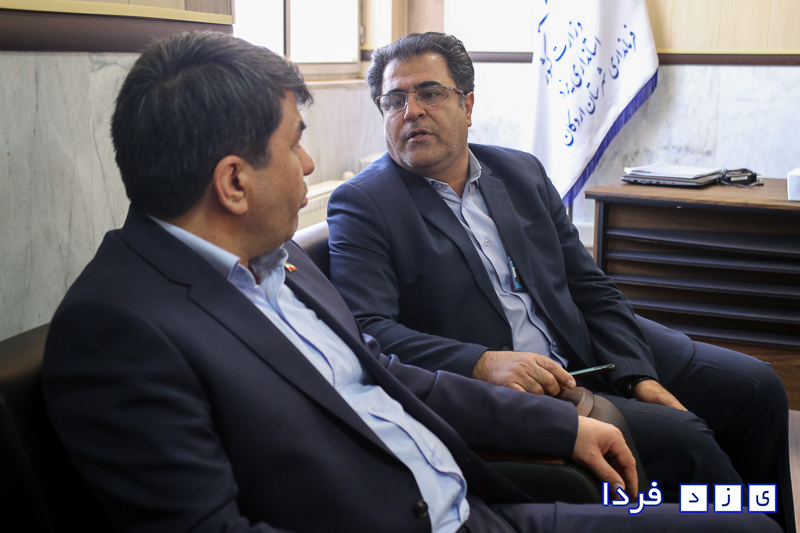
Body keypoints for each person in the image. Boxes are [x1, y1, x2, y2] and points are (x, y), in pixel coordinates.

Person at [40, 30, 780, 533]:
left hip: (482, 498)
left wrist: (570, 422)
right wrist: (508, 379)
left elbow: (389, 374)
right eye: (296, 146)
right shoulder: (120, 332)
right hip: (442, 506)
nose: (309, 167)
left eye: (430, 94)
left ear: (467, 103)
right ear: (234, 182)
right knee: (697, 462)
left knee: (748, 462)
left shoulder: (278, 263)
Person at [326, 32, 794, 531]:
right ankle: (741, 524)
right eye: (395, 100)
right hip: (516, 386)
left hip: (585, 347)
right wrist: (481, 362)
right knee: (687, 439)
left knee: (758, 388)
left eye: (430, 93)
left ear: (468, 105)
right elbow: (368, 329)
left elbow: (589, 287)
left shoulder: (519, 171)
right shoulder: (365, 203)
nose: (412, 111)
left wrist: (638, 375)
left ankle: (771, 523)